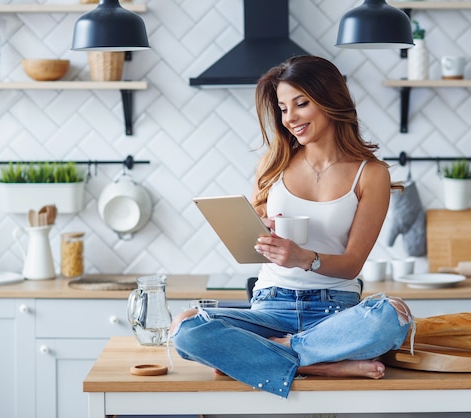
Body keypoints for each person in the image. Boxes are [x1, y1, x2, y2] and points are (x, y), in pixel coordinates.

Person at [171, 55, 413, 398]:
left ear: (331, 100)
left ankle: (267, 353)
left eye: (301, 104)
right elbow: (255, 240)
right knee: (185, 327)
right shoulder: (273, 164)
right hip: (270, 306)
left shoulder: (371, 174)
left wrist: (305, 258)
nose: (290, 118)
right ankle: (317, 363)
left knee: (392, 316)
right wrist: (261, 231)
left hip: (335, 311)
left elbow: (354, 262)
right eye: (284, 108)